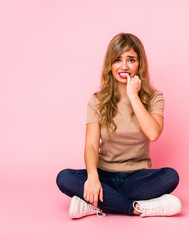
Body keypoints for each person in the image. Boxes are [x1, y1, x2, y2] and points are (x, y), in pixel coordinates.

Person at [56, 33, 181, 219]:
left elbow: (153, 133)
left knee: (171, 176)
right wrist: (92, 177)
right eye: (117, 60)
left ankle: (95, 204)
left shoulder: (155, 97)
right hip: (104, 174)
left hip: (138, 176)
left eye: (131, 59)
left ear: (140, 64)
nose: (124, 66)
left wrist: (133, 96)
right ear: (110, 65)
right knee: (64, 177)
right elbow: (90, 145)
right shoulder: (97, 101)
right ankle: (138, 208)